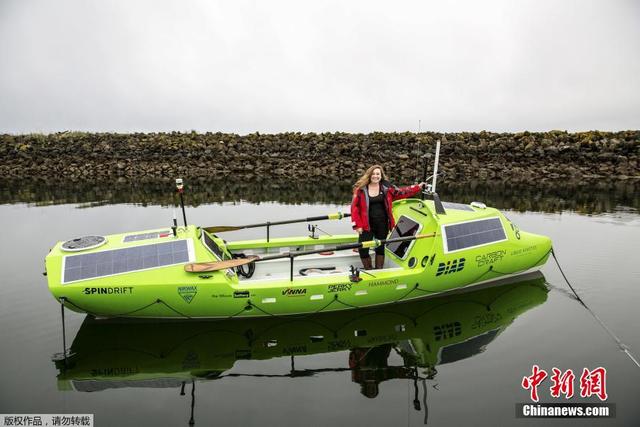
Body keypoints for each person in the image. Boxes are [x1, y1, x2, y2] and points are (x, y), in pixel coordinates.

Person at [350, 165, 425, 269]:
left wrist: (417, 187)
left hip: (383, 224)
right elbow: (354, 209)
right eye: (373, 174)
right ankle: (368, 269)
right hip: (366, 225)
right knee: (362, 248)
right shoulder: (361, 190)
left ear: (381, 176)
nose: (375, 176)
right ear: (369, 175)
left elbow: (402, 192)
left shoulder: (386, 187)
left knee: (380, 248)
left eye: (378, 174)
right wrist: (357, 225)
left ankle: (379, 270)